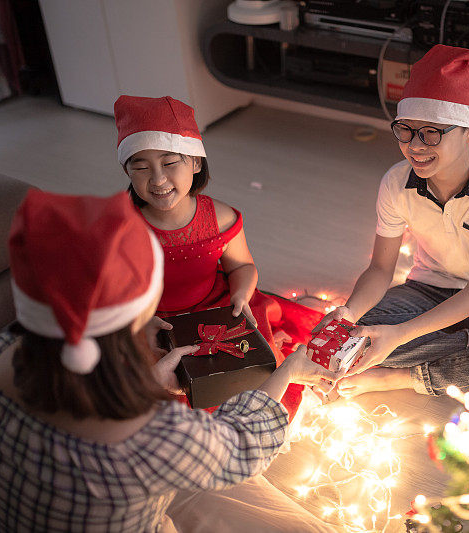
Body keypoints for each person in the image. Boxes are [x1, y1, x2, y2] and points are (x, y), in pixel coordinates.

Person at [0, 191, 339, 532]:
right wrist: (290, 369)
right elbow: (243, 445)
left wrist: (149, 381)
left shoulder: (3, 353)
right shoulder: (151, 436)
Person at [315, 45, 469, 398]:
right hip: (427, 289)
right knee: (353, 334)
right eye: (405, 129)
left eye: (431, 132)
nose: (415, 146)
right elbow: (380, 270)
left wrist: (400, 336)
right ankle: (468, 348)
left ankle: (402, 377)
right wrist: (348, 311)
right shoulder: (396, 182)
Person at [114, 95, 324, 416]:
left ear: (196, 162)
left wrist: (241, 294)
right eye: (141, 167)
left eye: (170, 163)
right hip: (153, 322)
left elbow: (241, 265)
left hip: (216, 311)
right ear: (128, 172)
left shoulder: (220, 218)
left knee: (249, 373)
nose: (157, 180)